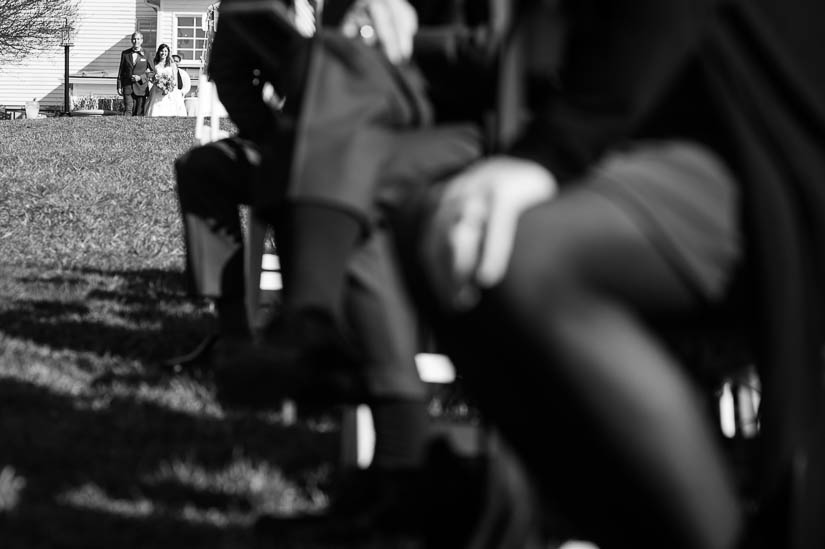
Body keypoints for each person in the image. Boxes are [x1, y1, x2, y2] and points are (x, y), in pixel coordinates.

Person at [401, 0, 825, 548]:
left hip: (776, 138)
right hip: (668, 131)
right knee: (445, 235)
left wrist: (550, 153)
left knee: (523, 255)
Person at [117, 32, 155, 116]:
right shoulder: (125, 54)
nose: (136, 41)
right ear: (131, 40)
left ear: (141, 40)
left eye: (138, 39)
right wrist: (119, 86)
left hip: (141, 88)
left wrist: (140, 77)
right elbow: (121, 71)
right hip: (128, 86)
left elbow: (153, 72)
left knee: (139, 113)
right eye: (134, 39)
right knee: (128, 111)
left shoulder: (147, 54)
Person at [145, 44, 188, 117]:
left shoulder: (171, 64)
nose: (163, 53)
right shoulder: (155, 64)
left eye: (165, 51)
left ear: (168, 53)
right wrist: (157, 83)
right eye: (162, 51)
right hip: (157, 89)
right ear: (159, 52)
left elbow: (174, 79)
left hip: (169, 89)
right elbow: (152, 77)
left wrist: (169, 86)